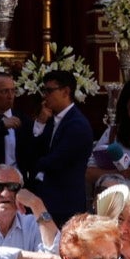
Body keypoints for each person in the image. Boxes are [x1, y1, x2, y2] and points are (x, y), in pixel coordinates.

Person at [19, 69, 92, 227]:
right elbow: (32, 149)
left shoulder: (77, 124)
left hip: (63, 203)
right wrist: (40, 122)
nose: (45, 95)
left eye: (49, 91)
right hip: (45, 198)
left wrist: (31, 163)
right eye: (44, 90)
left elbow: (56, 161)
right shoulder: (52, 119)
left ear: (66, 91)